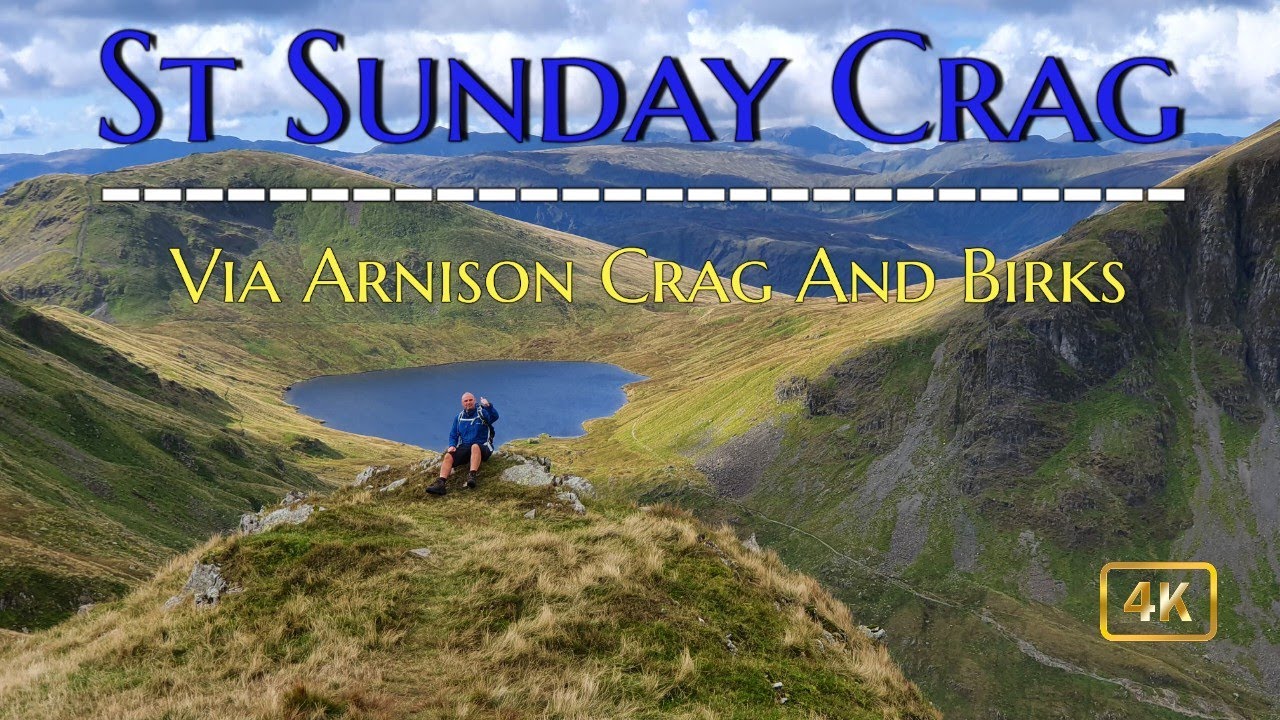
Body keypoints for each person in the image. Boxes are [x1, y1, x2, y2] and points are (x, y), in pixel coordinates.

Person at [425, 392, 498, 496]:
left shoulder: (482, 412)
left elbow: (494, 416)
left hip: (484, 446)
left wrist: (488, 406)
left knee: (475, 446)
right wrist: (452, 445)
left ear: (475, 400)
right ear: (462, 403)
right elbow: (453, 434)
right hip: (466, 447)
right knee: (448, 456)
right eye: (466, 401)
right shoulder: (459, 417)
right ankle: (440, 484)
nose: (468, 402)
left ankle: (472, 476)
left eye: (470, 400)